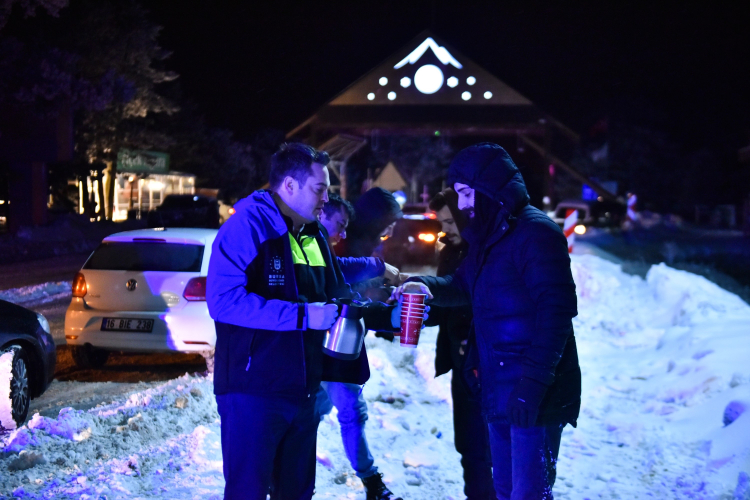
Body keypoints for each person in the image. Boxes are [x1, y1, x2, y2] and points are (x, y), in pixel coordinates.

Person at [206, 143, 402, 500]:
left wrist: (389, 314)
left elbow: (338, 297)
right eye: (319, 188)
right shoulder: (246, 227)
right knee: (248, 492)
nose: (326, 198)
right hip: (254, 392)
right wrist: (303, 315)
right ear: (290, 185)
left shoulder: (314, 236)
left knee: (297, 493)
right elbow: (223, 302)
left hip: (304, 391)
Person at [394, 143, 581, 500]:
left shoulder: (536, 234)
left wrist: (532, 386)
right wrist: (423, 285)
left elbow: (556, 313)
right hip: (499, 387)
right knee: (505, 491)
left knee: (528, 495)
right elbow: (461, 285)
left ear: (489, 187)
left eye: (466, 193)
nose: (462, 204)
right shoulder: (488, 238)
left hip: (535, 391)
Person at [315, 192, 405, 500]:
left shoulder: (345, 242)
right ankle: (370, 482)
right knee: (342, 412)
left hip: (339, 344)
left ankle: (369, 482)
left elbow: (354, 292)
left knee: (331, 412)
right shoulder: (319, 242)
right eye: (388, 223)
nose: (341, 232)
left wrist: (384, 304)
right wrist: (378, 271)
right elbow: (337, 277)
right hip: (329, 344)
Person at [428, 188, 494, 500]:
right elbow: (444, 307)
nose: (445, 229)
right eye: (442, 222)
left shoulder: (486, 253)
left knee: (486, 445)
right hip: (460, 361)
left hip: (483, 363)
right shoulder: (449, 253)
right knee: (468, 443)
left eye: (450, 222)